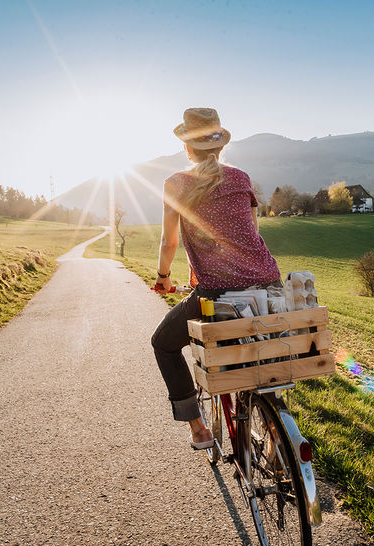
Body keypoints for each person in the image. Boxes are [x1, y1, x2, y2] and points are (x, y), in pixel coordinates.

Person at [150, 108, 281, 449]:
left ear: (187, 149)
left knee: (163, 344)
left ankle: (198, 429)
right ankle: (276, 432)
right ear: (219, 146)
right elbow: (252, 232)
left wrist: (163, 278)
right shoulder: (241, 178)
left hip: (218, 294)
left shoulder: (176, 183)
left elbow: (169, 242)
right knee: (259, 347)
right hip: (269, 285)